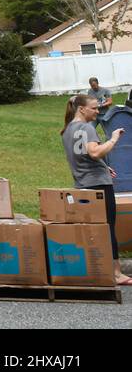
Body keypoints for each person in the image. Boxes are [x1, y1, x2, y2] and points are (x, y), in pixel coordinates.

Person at [61, 94, 131, 286]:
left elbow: (82, 156)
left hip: (82, 184)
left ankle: (95, 267)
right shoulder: (87, 128)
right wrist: (113, 139)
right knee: (108, 228)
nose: (98, 111)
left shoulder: (68, 130)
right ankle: (116, 273)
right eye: (94, 108)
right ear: (82, 109)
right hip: (99, 185)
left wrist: (102, 165)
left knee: (93, 229)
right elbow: (94, 151)